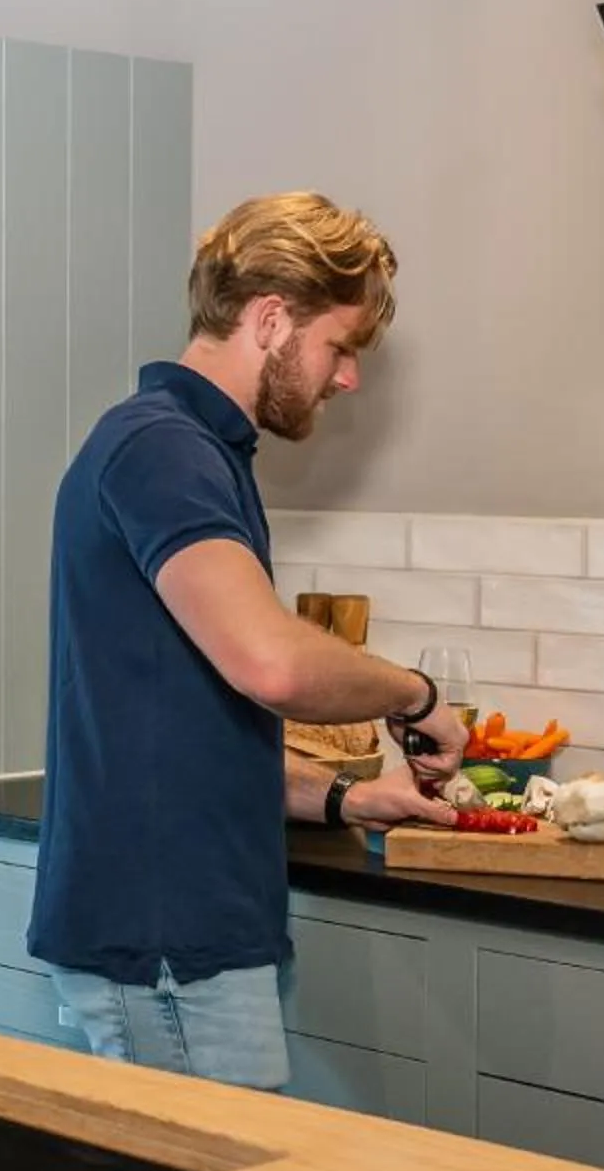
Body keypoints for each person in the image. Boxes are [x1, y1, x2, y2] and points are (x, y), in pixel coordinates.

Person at [27, 193, 467, 1089]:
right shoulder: (163, 450)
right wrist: (414, 695)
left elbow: (180, 731)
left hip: (182, 931)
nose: (347, 378)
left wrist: (344, 800)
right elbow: (270, 663)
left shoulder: (191, 449)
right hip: (165, 936)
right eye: (339, 346)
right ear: (271, 318)